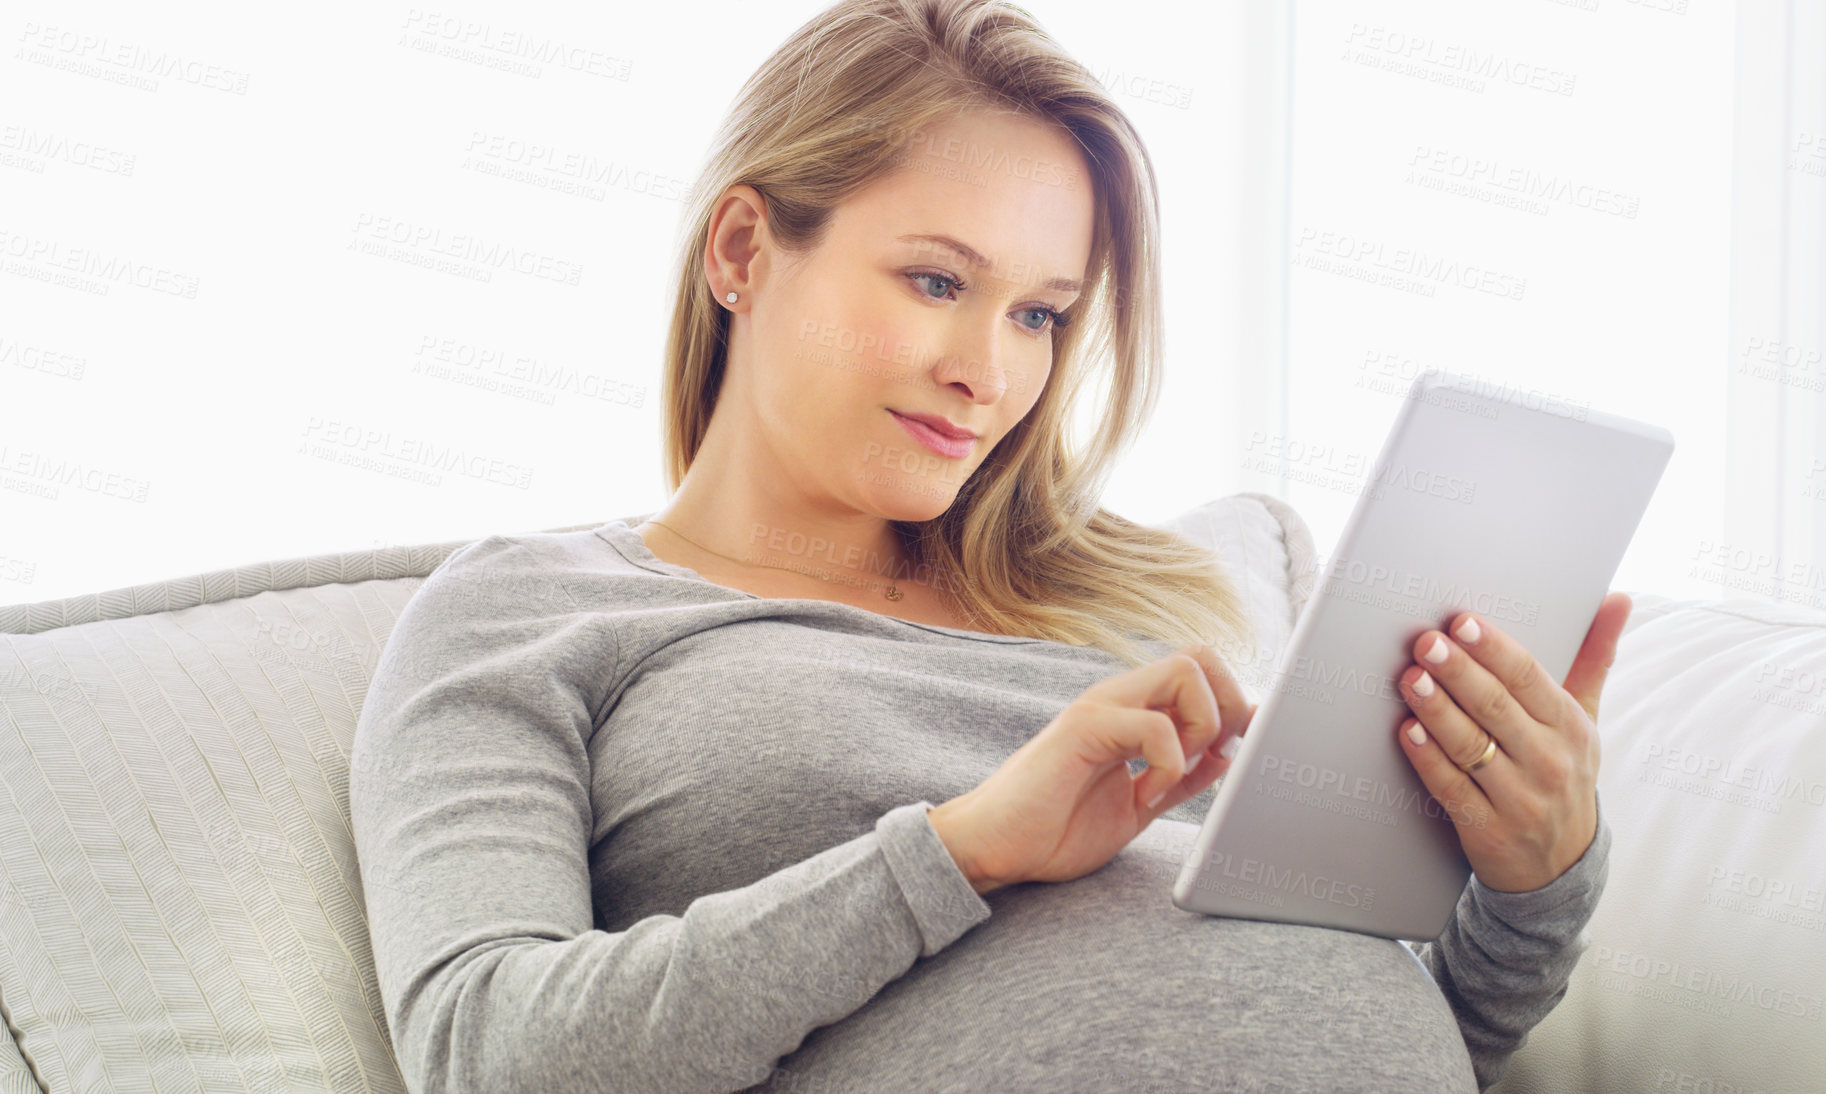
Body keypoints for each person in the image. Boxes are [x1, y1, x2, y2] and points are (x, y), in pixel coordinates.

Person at [349, 1, 1622, 1090]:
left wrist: (1530, 882)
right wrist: (959, 847)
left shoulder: (1138, 601)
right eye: (937, 283)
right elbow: (487, 1048)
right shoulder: (528, 612)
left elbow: (1389, 1027)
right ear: (742, 250)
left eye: (1039, 314)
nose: (988, 373)